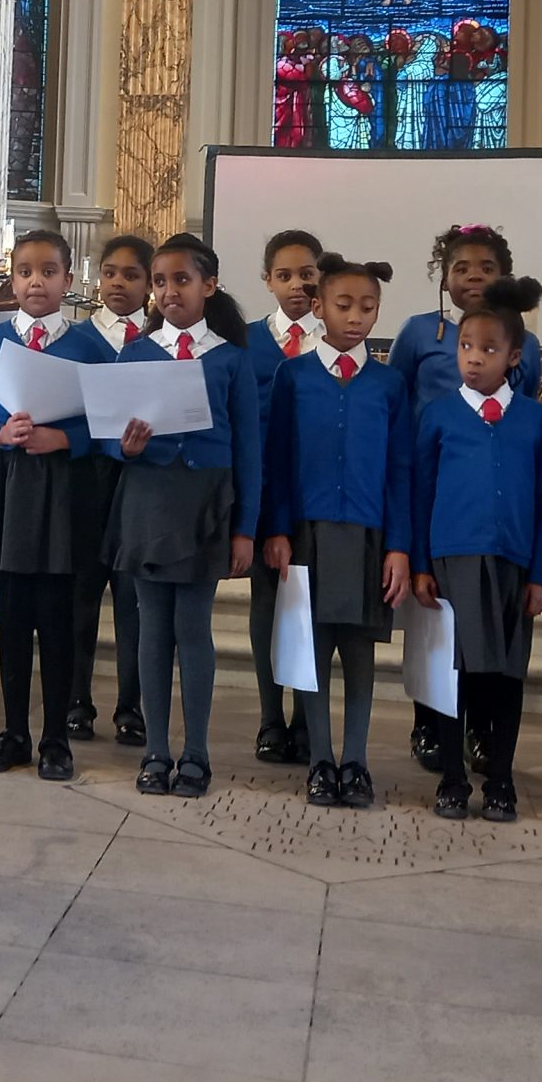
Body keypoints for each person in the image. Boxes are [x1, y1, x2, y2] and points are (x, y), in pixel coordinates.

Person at [0, 230, 110, 780]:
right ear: (11, 281)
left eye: (48, 272)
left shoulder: (88, 345)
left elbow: (108, 422)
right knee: (14, 616)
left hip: (63, 492)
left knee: (58, 618)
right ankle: (15, 732)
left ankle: (56, 739)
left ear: (68, 280)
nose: (35, 282)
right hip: (7, 487)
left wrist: (63, 438)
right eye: (24, 272)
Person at [107, 234, 260, 799]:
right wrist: (125, 447)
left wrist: (245, 529)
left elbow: (249, 451)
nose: (169, 291)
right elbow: (110, 438)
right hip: (148, 500)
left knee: (193, 629)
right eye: (160, 281)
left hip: (205, 504)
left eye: (182, 280)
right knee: (152, 629)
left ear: (208, 285)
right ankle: (156, 751)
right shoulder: (136, 353)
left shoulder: (230, 358)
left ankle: (196, 753)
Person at [388, 222, 542, 769]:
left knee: (486, 642)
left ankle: (481, 729)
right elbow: (398, 399)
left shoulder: (526, 345)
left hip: (492, 501)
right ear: (444, 278)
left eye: (486, 268)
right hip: (436, 491)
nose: (473, 276)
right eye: (461, 268)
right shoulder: (418, 333)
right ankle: (428, 725)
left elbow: (522, 408)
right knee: (436, 632)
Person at [264, 254, 411, 811]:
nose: (356, 317)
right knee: (313, 647)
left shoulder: (389, 384)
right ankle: (321, 761)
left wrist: (398, 545)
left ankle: (356, 761)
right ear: (319, 306)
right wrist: (278, 529)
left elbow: (400, 468)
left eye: (368, 307)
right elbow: (278, 459)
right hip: (308, 532)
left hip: (368, 534)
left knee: (358, 651)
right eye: (344, 305)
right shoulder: (294, 376)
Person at [410, 276, 542, 823]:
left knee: (505, 675)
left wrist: (541, 574)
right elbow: (421, 493)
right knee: (456, 672)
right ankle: (452, 777)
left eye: (489, 349)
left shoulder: (535, 421)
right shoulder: (439, 415)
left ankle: (500, 778)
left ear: (514, 356)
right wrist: (421, 563)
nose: (474, 358)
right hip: (453, 558)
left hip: (513, 561)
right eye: (466, 346)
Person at [245, 229, 325, 764]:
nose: (297, 285)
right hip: (263, 492)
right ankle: (270, 717)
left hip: (315, 495)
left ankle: (303, 720)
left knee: (309, 609)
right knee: (267, 605)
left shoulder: (334, 338)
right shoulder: (247, 340)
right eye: (285, 275)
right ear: (267, 280)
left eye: (307, 274)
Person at [71, 234, 154, 744]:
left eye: (131, 274)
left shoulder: (159, 341)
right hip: (87, 483)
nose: (118, 283)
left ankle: (131, 707)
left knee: (133, 603)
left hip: (141, 487)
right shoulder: (78, 339)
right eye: (109, 273)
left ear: (149, 283)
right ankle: (77, 701)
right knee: (81, 597)